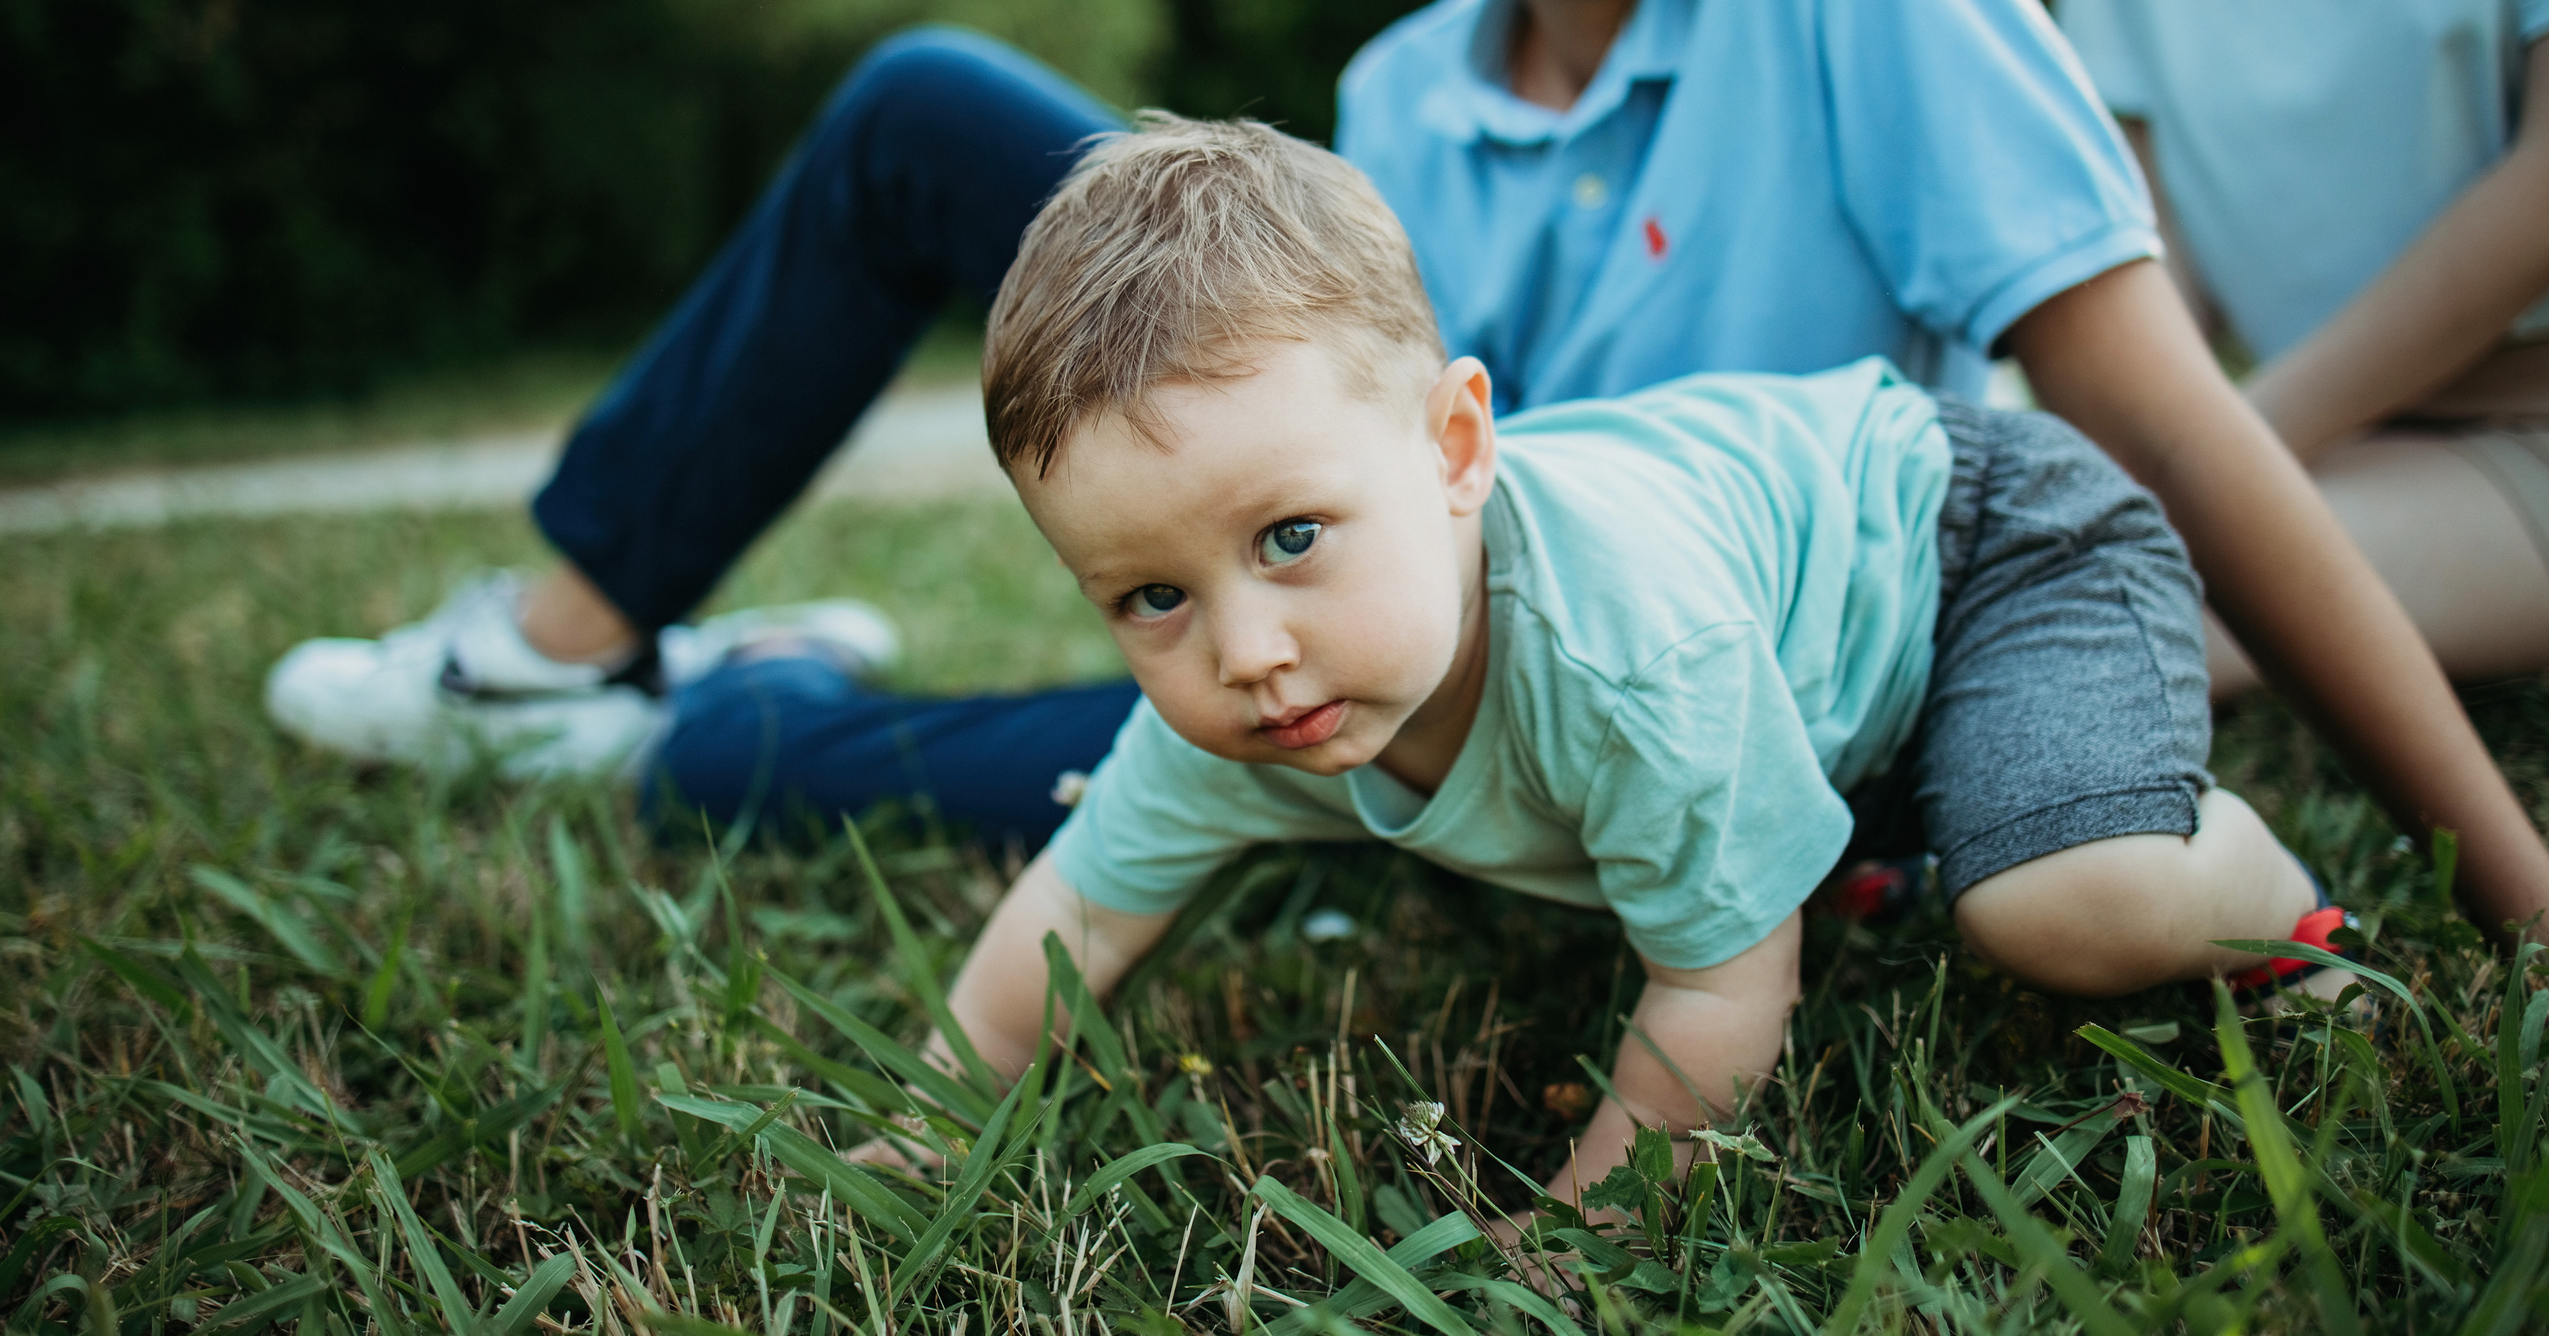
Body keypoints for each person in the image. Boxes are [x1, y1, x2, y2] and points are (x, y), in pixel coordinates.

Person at [267, 0, 2549, 944]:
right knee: (929, 118)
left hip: (1679, 698)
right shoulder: (1395, 94)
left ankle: (691, 714)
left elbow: (2159, 428)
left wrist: (2508, 871)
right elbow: (1341, 516)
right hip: (1407, 682)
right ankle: (552, 639)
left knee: (811, 768)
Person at [907, 110, 2350, 1210]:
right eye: (1152, 595)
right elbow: (1075, 916)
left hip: (1987, 550)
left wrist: (1581, 1233)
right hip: (1804, 662)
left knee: (2062, 903)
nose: (1247, 652)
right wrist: (925, 1128)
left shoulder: (1624, 653)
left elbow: (1722, 993)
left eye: (1292, 537)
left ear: (1454, 449)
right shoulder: (1263, 696)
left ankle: (2279, 905)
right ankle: (1858, 837)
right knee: (1783, 839)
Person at [2052, 0, 2549, 700]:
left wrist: (2211, 459)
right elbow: (2143, 224)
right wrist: (2157, 453)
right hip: (2302, 444)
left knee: (2108, 626)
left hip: (2520, 428)